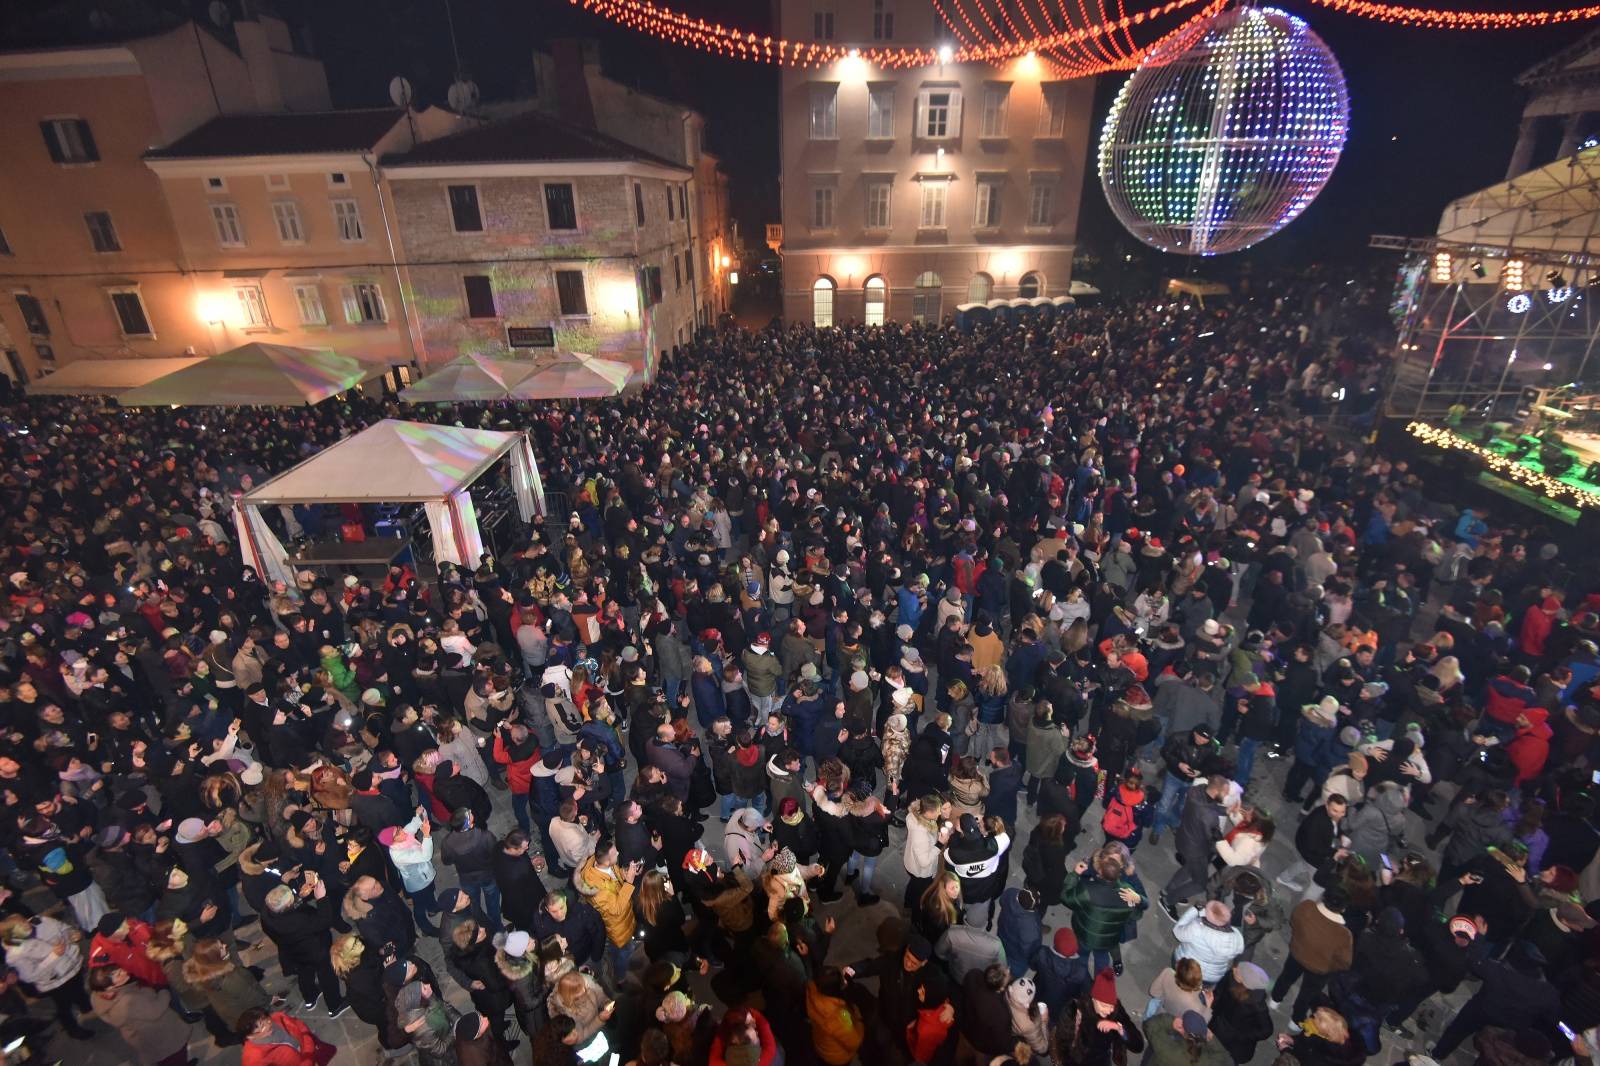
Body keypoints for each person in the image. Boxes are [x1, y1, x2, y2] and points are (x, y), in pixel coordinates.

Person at [0, 912, 94, 1038]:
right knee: (64, 1006)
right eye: (19, 926)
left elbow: (62, 928)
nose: (26, 925)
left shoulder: (42, 921)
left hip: (72, 966)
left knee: (79, 988)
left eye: (23, 920)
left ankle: (86, 1006)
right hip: (55, 982)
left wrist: (71, 933)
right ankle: (73, 1029)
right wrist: (53, 956)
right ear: (11, 933)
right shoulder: (16, 954)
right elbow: (30, 976)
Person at [1269, 885, 1354, 1023]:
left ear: (1324, 897)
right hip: (1320, 970)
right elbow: (1344, 962)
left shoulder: (1307, 907)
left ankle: (1274, 1000)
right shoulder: (1344, 935)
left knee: (1286, 978)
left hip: (1297, 954)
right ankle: (1296, 1020)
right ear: (1343, 908)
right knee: (1307, 994)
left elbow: (1293, 921)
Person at [87, 964, 194, 1066]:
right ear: (109, 987)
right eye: (118, 975)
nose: (124, 972)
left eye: (119, 970)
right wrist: (163, 991)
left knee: (165, 1060)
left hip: (143, 1037)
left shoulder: (98, 997)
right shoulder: (128, 1001)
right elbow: (156, 1010)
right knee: (175, 1057)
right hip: (161, 1035)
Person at [1053, 969, 1146, 1066]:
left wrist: (1119, 1028)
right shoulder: (1075, 1011)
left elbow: (1138, 1046)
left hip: (1102, 1060)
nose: (1109, 1010)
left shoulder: (1116, 1011)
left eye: (1111, 1005)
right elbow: (1064, 1046)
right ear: (1093, 999)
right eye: (1104, 1006)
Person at [1207, 961, 1274, 1064]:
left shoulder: (1257, 1005)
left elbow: (1267, 1030)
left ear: (1245, 982)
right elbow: (1218, 995)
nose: (1234, 969)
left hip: (1234, 1041)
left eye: (1239, 971)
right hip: (1217, 1024)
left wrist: (1242, 1036)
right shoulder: (1231, 976)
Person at [238, 1006, 337, 1066]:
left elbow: (298, 1024)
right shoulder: (253, 1056)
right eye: (262, 1026)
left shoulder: (278, 1017)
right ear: (250, 1037)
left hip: (307, 1054)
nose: (269, 1023)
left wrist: (307, 1041)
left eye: (266, 1019)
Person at [1144, 1010, 1232, 1066]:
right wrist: (1212, 1039)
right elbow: (1227, 1060)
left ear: (1183, 1031)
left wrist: (1171, 1022)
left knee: (1150, 1050)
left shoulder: (1167, 1050)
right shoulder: (1209, 1061)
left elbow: (1149, 1025)